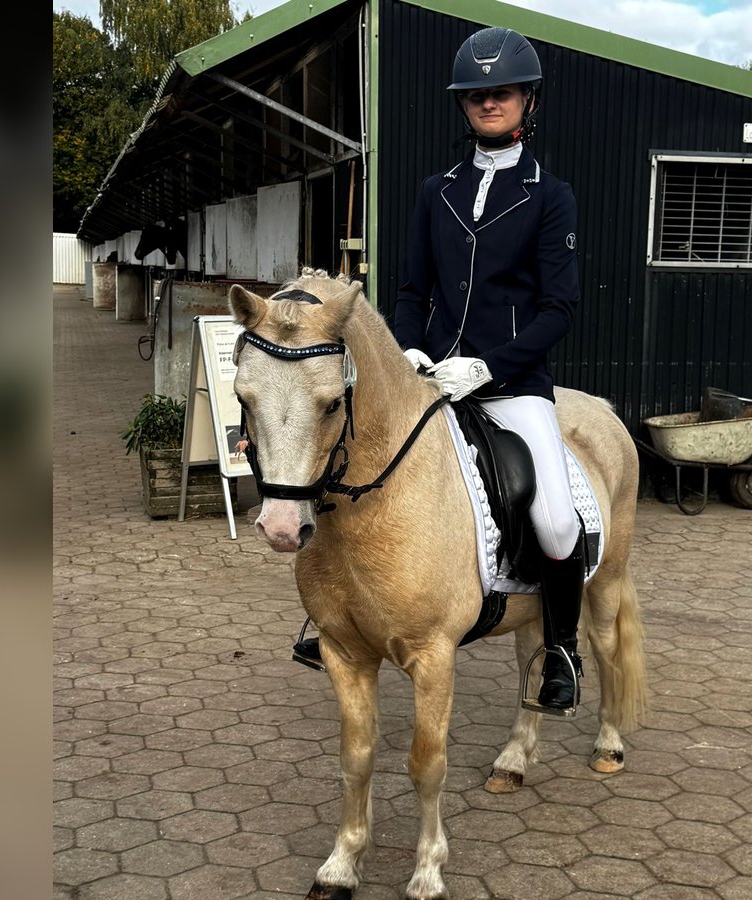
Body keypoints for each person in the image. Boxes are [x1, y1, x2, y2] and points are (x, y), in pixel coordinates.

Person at [295, 27, 586, 714]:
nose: (489, 103)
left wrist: (489, 366)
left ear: (528, 100)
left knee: (554, 519)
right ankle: (331, 616)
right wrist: (409, 352)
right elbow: (411, 291)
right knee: (340, 469)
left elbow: (559, 309)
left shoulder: (551, 196)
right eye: (477, 95)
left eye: (502, 92)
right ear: (463, 104)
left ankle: (562, 649)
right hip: (427, 382)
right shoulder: (437, 191)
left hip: (511, 385)